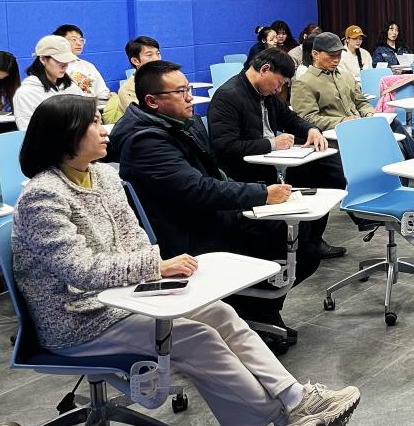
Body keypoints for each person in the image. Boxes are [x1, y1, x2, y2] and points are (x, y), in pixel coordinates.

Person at [14, 94, 360, 426]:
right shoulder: (43, 196)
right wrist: (155, 265)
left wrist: (156, 273)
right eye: (93, 123)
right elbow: (81, 271)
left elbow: (134, 236)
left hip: (122, 296)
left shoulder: (102, 175)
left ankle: (296, 397)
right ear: (66, 134)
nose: (105, 130)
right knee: (197, 336)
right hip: (80, 321)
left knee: (219, 312)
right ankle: (287, 416)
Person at [111, 60, 325, 350]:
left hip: (207, 214)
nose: (190, 97)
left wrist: (255, 193)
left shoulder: (177, 124)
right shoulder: (145, 141)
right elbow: (198, 189)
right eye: (180, 92)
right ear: (152, 101)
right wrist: (261, 194)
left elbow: (211, 176)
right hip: (191, 232)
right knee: (297, 244)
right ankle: (253, 310)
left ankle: (256, 311)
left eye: (188, 89)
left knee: (306, 232)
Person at [208, 48, 346, 259]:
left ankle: (313, 240)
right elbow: (225, 147)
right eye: (279, 83)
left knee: (330, 171)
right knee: (318, 175)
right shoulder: (228, 96)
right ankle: (301, 244)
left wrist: (311, 130)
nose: (278, 89)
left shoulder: (267, 93)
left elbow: (289, 119)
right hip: (246, 171)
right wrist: (270, 144)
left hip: (272, 162)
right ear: (265, 69)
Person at [291, 33, 414, 187]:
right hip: (337, 134)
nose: (336, 59)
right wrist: (343, 121)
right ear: (315, 54)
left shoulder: (345, 76)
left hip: (359, 125)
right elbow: (307, 119)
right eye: (331, 55)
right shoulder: (304, 83)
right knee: (395, 145)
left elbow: (361, 101)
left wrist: (369, 113)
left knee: (393, 125)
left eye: (339, 55)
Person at [13, 36, 78, 130]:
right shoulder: (26, 94)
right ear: (43, 59)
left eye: (67, 60)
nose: (65, 65)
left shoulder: (71, 87)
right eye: (60, 60)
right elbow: (28, 131)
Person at [103, 35, 160, 124]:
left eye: (158, 53)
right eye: (149, 55)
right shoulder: (127, 90)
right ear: (135, 61)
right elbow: (143, 119)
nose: (156, 58)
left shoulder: (167, 79)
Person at [52, 24, 114, 105]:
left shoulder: (88, 66)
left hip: (94, 109)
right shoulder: (53, 67)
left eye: (81, 40)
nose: (79, 43)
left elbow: (102, 92)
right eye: (74, 39)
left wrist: (109, 97)